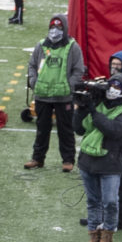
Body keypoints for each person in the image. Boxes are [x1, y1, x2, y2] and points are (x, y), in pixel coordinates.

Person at [75, 77, 122, 242]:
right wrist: (82, 108)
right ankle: (93, 235)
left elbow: (113, 130)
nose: (112, 90)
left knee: (110, 202)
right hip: (88, 160)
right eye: (111, 85)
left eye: (117, 87)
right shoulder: (98, 104)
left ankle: (107, 236)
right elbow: (79, 129)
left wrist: (93, 111)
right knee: (93, 201)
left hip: (111, 162)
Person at [23, 16, 83, 171]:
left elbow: (78, 70)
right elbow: (32, 65)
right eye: (52, 27)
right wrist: (34, 82)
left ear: (65, 29)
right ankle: (38, 158)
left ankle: (68, 160)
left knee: (66, 129)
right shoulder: (41, 46)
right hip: (43, 95)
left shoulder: (72, 47)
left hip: (64, 96)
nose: (55, 31)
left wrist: (69, 86)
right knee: (42, 128)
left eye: (59, 28)